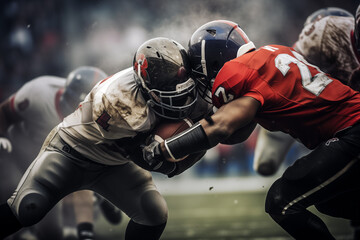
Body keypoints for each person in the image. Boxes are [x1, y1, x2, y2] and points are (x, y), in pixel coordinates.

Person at [142, 20, 360, 239]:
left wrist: (162, 150)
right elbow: (240, 132)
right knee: (330, 202)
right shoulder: (275, 53)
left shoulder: (238, 71)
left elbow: (221, 126)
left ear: (212, 61)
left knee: (280, 202)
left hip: (353, 131)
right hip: (350, 128)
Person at [0, 37, 210, 240]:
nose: (181, 96)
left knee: (153, 213)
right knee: (28, 207)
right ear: (146, 87)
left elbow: (209, 132)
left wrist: (199, 140)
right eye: (171, 90)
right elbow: (146, 158)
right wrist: (175, 156)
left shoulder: (174, 80)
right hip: (71, 151)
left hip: (113, 163)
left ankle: (105, 204)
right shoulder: (116, 101)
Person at [0, 66, 121, 240]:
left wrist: (85, 233)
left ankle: (100, 203)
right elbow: (4, 111)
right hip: (18, 149)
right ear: (66, 95)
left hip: (51, 156)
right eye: (79, 107)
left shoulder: (102, 117)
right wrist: (1, 136)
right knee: (9, 187)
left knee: (51, 232)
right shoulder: (38, 93)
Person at [253, 7, 358, 177]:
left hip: (342, 118)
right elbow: (286, 64)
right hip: (303, 104)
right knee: (266, 164)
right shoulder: (326, 34)